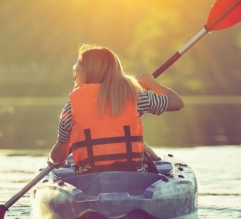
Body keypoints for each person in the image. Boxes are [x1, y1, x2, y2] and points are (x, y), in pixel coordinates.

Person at [48, 45, 184, 175]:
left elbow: (58, 158)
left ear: (89, 72)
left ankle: (154, 157)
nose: (74, 77)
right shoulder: (136, 97)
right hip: (134, 177)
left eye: (77, 71)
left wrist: (52, 160)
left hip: (89, 180)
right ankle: (155, 158)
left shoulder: (70, 109)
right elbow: (177, 102)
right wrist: (152, 83)